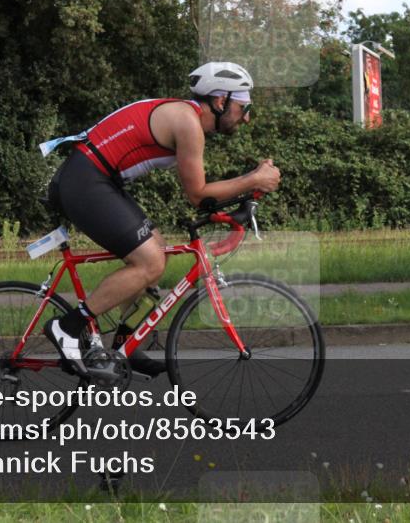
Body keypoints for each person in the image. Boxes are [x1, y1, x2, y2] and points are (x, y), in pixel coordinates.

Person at [44, 62, 281, 377]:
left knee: (158, 249)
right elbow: (197, 195)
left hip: (98, 179)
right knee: (149, 262)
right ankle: (67, 327)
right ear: (221, 101)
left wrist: (244, 194)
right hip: (86, 180)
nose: (247, 117)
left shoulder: (187, 117)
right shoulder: (188, 124)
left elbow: (204, 197)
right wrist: (253, 180)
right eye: (244, 107)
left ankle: (126, 342)